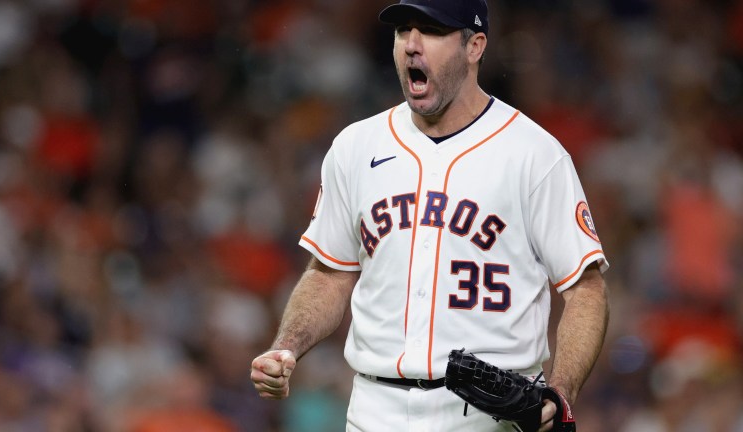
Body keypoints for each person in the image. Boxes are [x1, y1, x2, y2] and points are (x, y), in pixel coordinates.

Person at [250, 0, 610, 430]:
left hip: (488, 414)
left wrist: (562, 391)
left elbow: (586, 290)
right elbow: (330, 273)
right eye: (404, 30)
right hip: (373, 409)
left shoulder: (533, 154)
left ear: (475, 45)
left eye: (433, 31)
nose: (412, 45)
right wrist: (286, 345)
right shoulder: (356, 146)